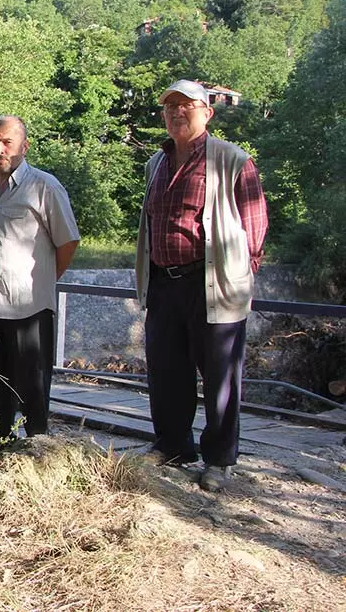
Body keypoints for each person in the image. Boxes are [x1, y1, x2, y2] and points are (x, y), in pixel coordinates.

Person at [136, 79, 268, 492]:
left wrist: (239, 278)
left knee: (220, 376)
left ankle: (218, 458)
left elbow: (255, 228)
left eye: (187, 106)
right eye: (170, 107)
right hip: (164, 284)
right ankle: (174, 445)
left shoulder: (231, 160)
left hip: (211, 283)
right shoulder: (155, 164)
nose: (177, 113)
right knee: (167, 370)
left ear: (207, 113)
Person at [0, 115, 80, 445]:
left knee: (33, 385)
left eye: (7, 142)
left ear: (25, 145)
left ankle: (38, 446)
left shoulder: (43, 186)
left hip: (29, 306)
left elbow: (68, 241)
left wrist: (44, 280)